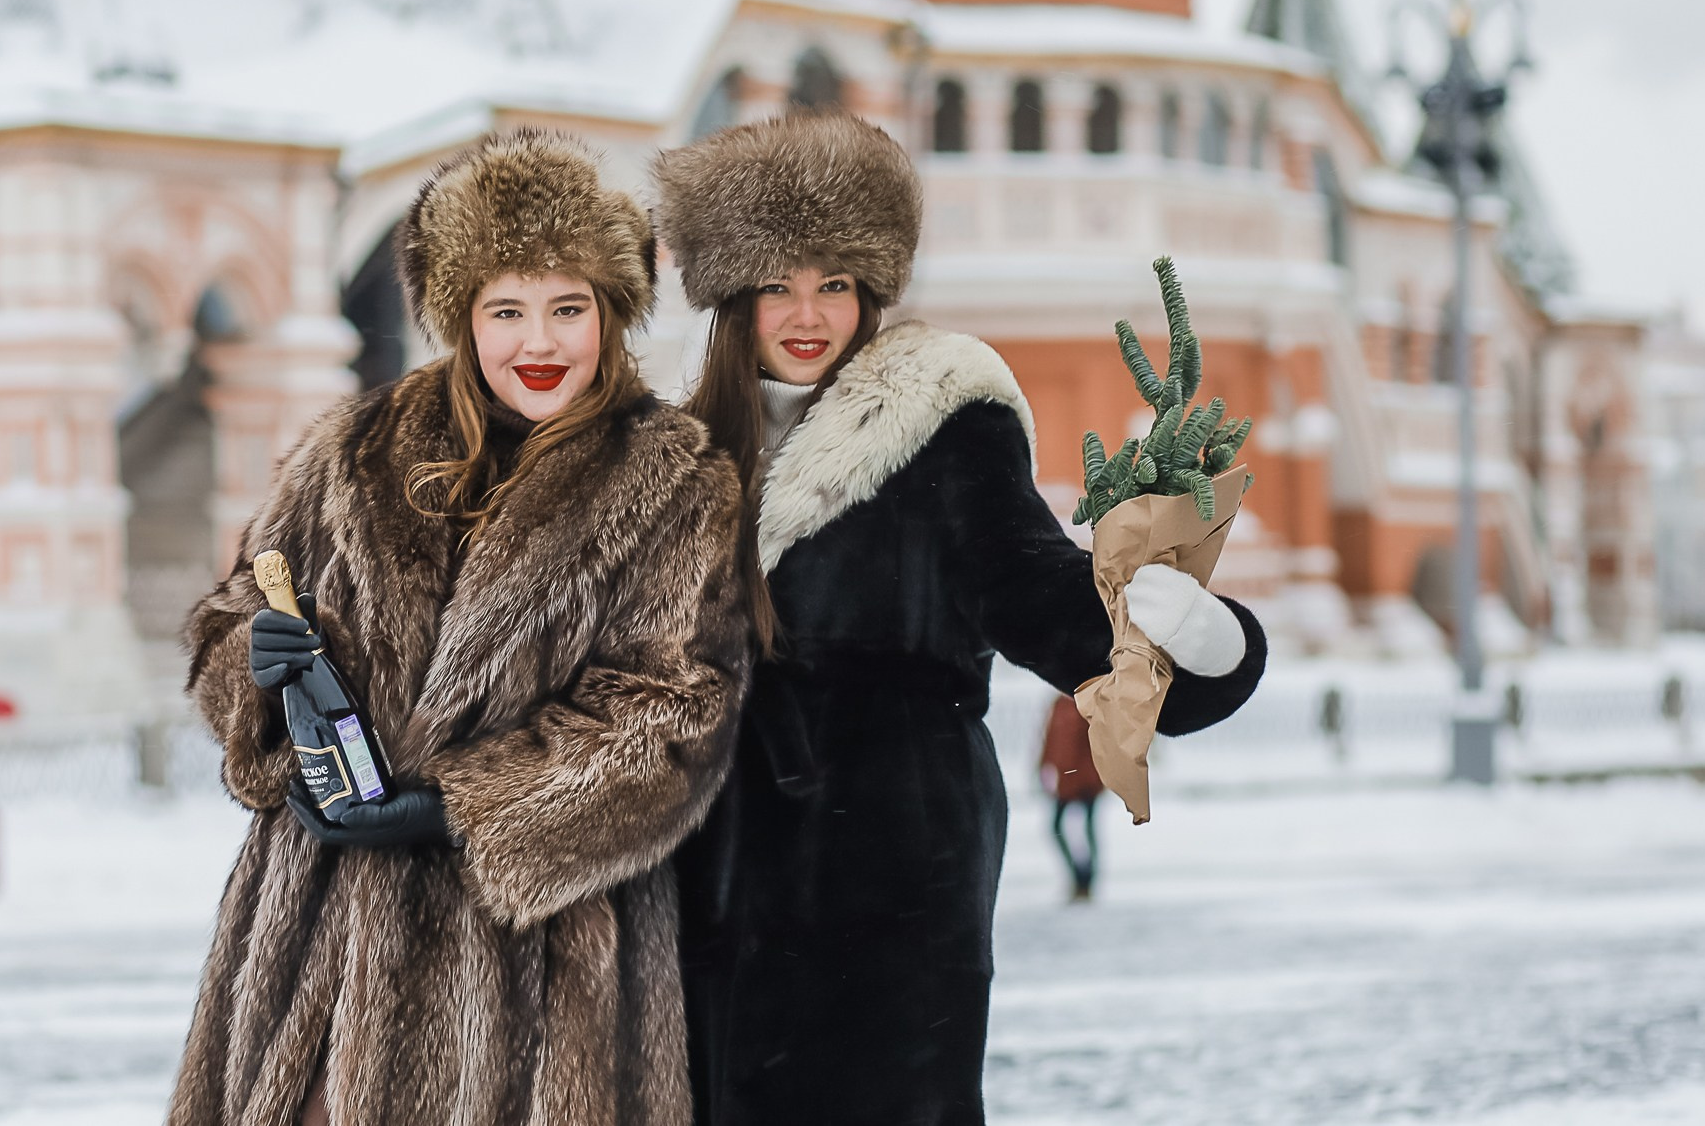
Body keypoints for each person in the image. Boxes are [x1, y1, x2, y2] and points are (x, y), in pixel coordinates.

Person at [656, 113, 1267, 1126]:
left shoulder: (936, 425)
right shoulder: (672, 459)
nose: (808, 314)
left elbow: (1032, 585)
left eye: (836, 283)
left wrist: (1182, 640)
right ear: (734, 296)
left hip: (887, 882)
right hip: (707, 897)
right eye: (779, 284)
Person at [170, 130, 750, 1126]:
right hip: (325, 945)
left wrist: (463, 810)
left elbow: (670, 715)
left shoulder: (672, 478)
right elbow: (240, 610)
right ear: (461, 316)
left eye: (570, 308)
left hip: (538, 969)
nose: (539, 342)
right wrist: (250, 667)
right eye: (507, 310)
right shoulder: (350, 452)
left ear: (611, 316)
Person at [1037, 692, 1105, 902]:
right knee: (1057, 827)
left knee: (1087, 828)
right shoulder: (1059, 704)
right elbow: (1049, 739)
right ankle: (1078, 875)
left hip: (1086, 779)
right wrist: (1042, 767)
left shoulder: (1089, 704)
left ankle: (1087, 880)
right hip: (1066, 780)